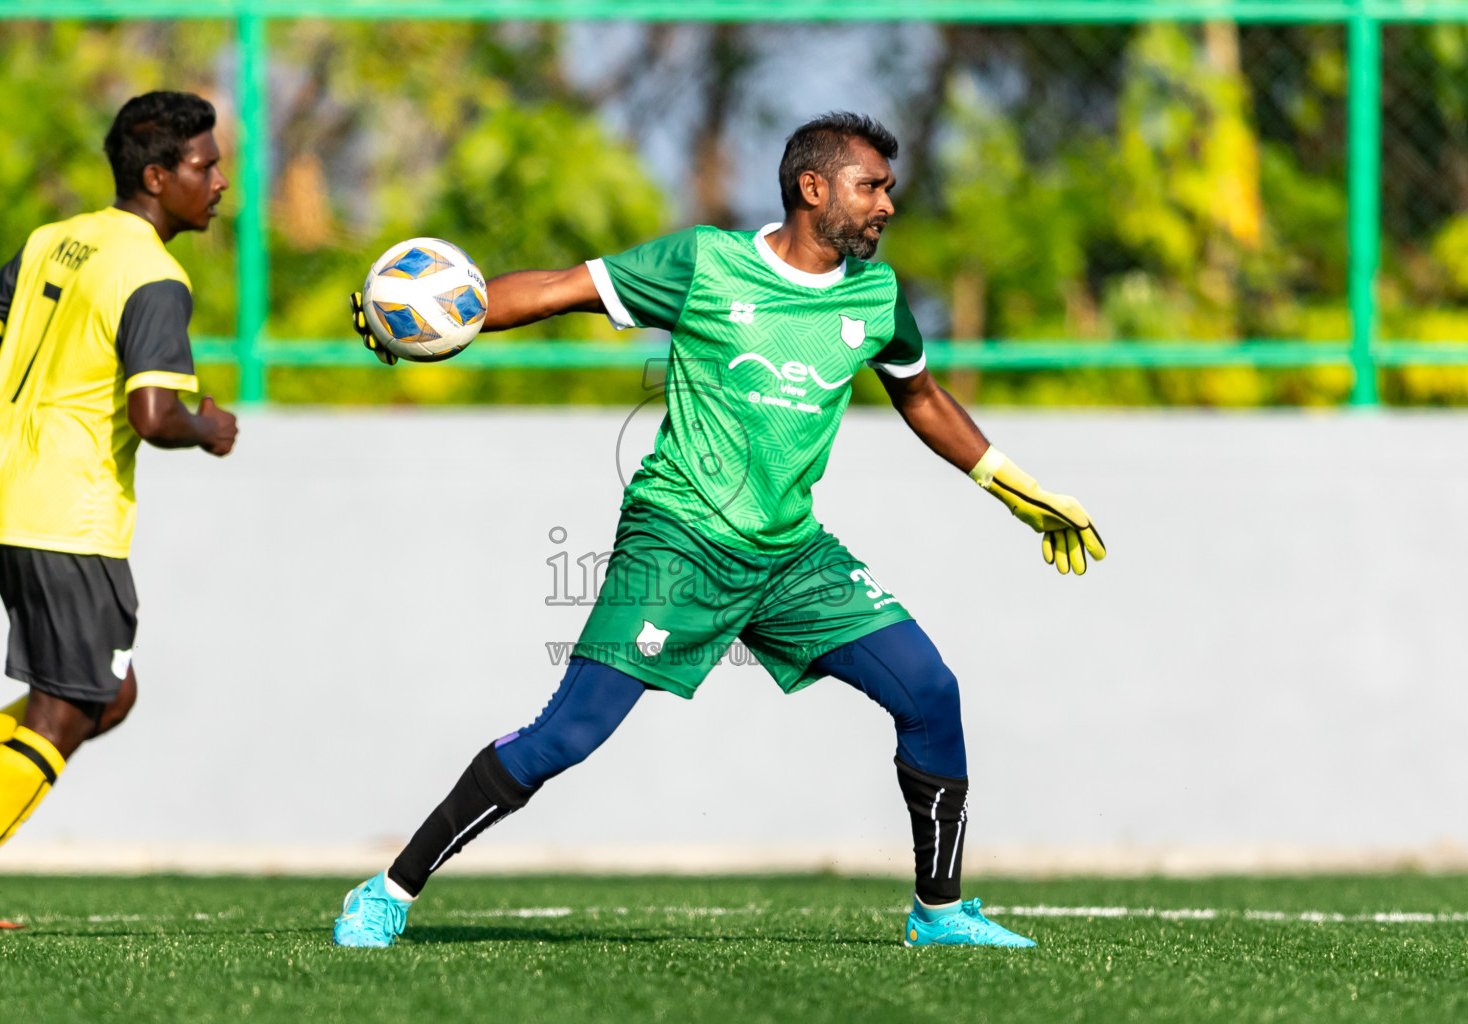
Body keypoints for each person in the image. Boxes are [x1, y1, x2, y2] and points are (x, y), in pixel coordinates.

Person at [334, 112, 1105, 949]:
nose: (887, 203)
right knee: (569, 736)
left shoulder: (876, 297)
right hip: (679, 543)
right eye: (871, 185)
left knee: (930, 693)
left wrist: (1010, 484)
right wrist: (433, 318)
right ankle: (387, 892)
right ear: (814, 188)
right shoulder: (704, 263)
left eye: (888, 187)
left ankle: (942, 914)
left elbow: (918, 394)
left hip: (791, 557)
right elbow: (558, 288)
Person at [0, 91, 238, 930]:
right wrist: (209, 426)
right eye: (205, 167)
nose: (218, 183)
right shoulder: (152, 277)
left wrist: (24, 419)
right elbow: (153, 415)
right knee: (68, 709)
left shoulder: (55, 240)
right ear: (157, 176)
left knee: (108, 693)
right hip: (65, 510)